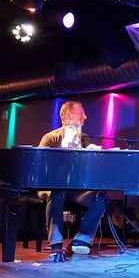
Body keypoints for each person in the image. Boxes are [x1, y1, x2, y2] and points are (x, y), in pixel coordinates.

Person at [39, 101, 107, 258]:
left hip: (77, 189)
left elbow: (86, 171)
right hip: (55, 188)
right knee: (56, 193)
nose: (85, 116)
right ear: (68, 116)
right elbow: (42, 169)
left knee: (100, 196)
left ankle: (81, 240)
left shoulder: (84, 138)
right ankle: (56, 244)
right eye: (81, 113)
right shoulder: (50, 138)